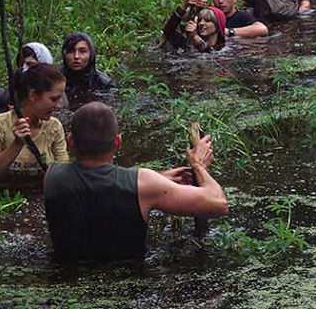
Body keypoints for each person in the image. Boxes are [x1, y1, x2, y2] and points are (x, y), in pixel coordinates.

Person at [44, 102, 228, 262]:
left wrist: (158, 178)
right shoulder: (145, 184)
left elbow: (96, 181)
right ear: (117, 142)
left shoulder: (52, 175)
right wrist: (198, 165)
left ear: (70, 142)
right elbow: (218, 204)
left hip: (66, 282)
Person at [0, 63, 69, 188]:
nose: (59, 106)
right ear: (33, 95)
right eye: (54, 99)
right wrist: (17, 144)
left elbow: (63, 179)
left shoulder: (54, 126)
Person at [0, 42, 54, 112]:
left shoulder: (55, 99)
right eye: (21, 64)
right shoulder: (4, 95)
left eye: (30, 64)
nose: (24, 68)